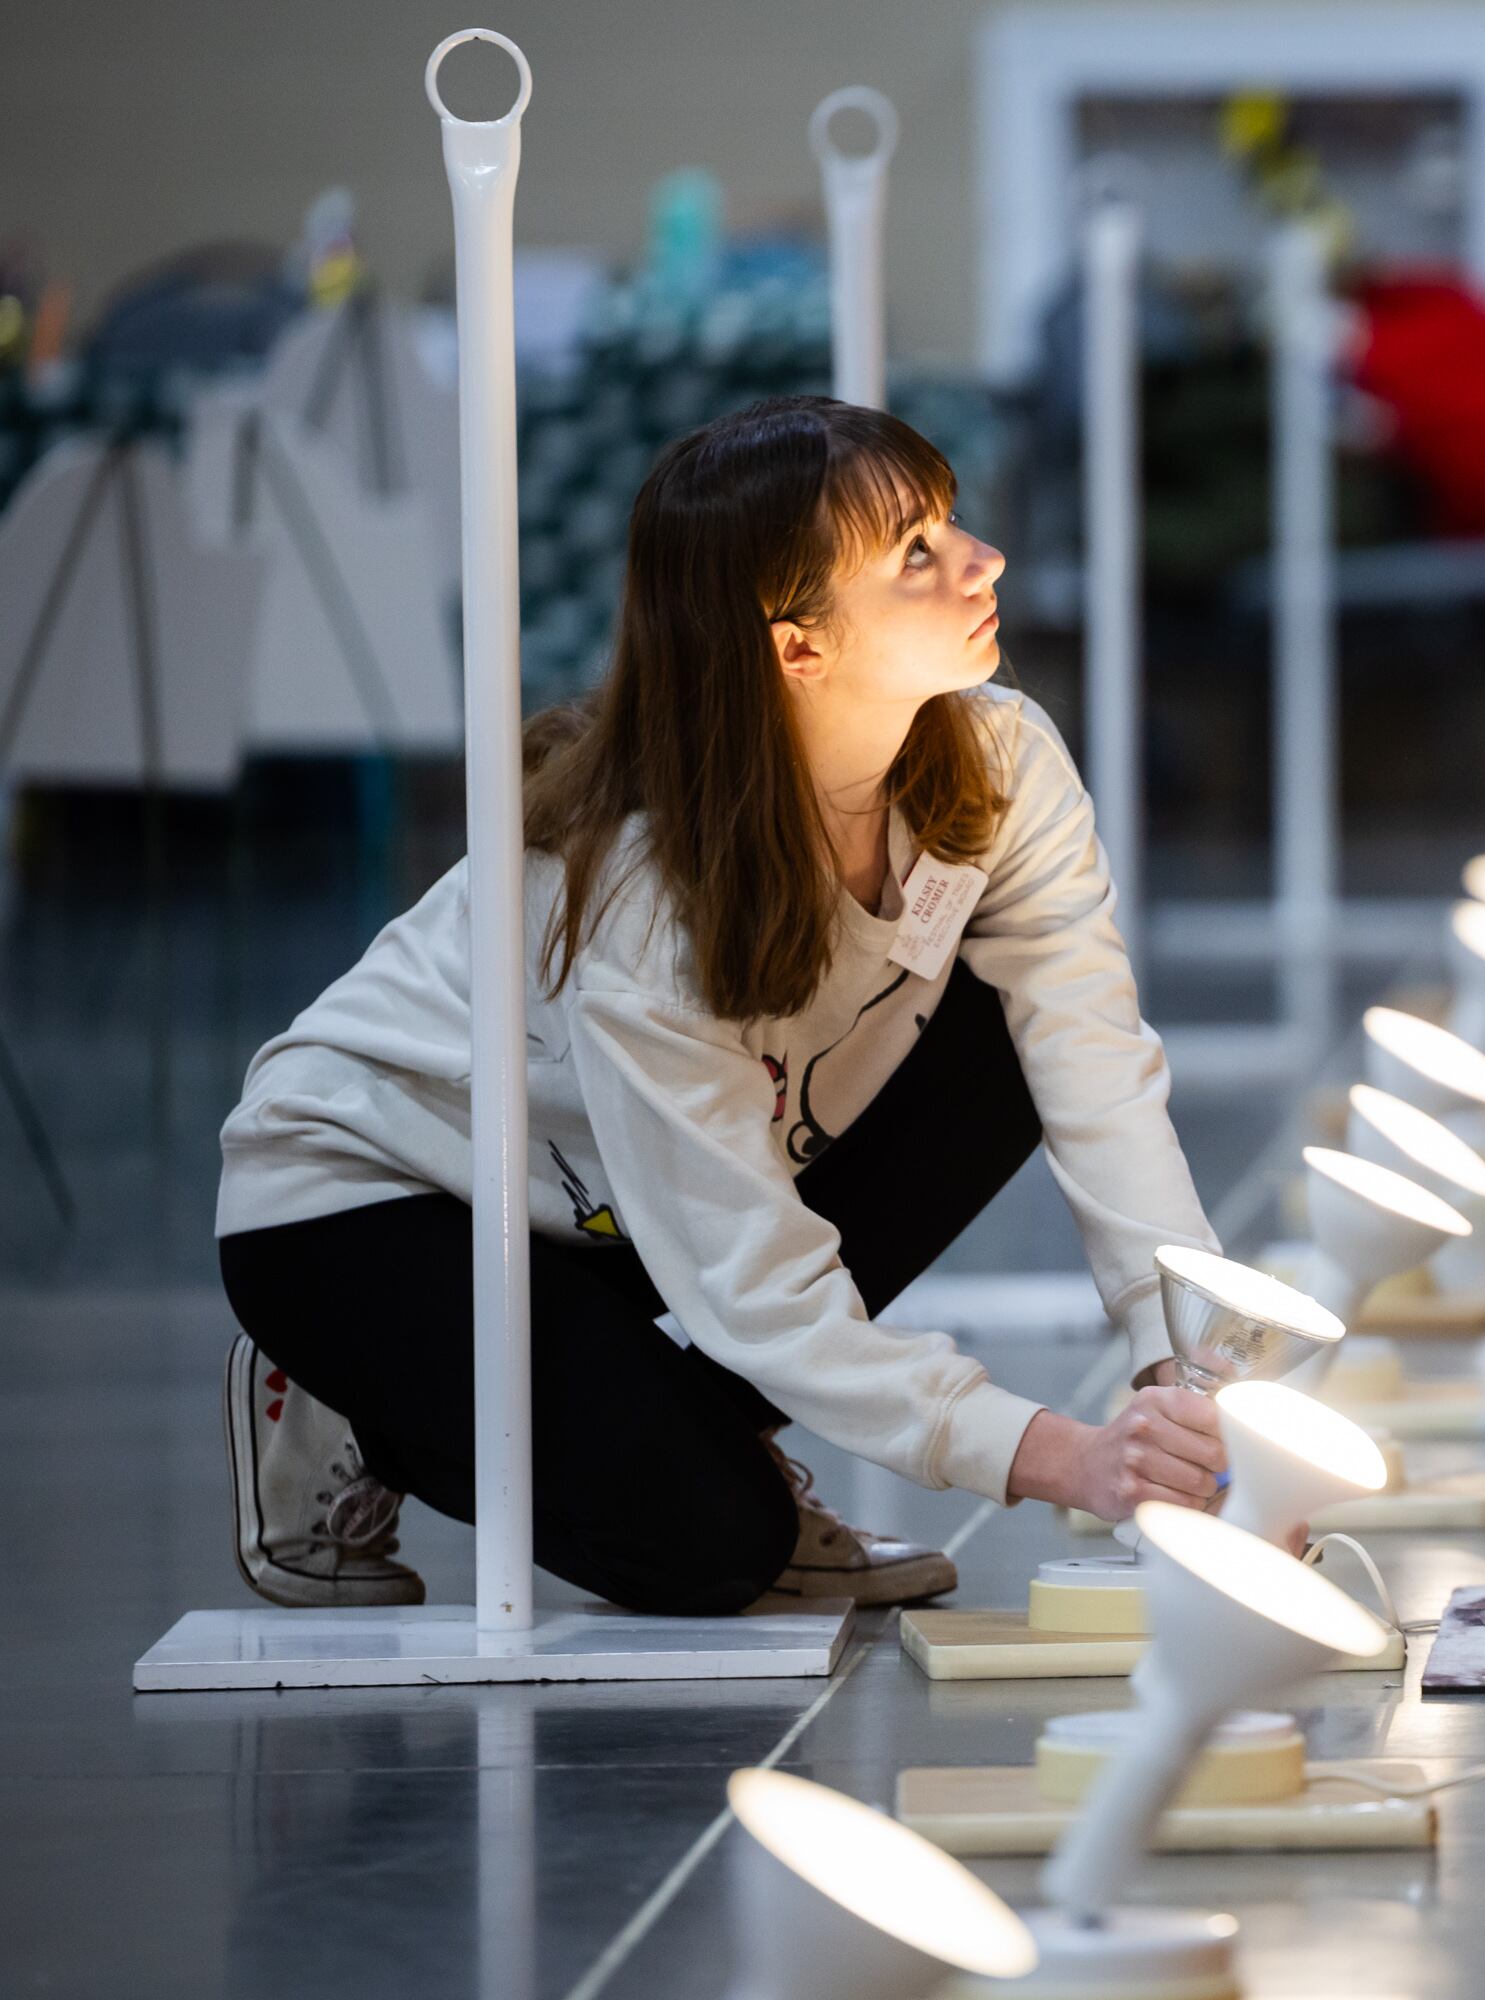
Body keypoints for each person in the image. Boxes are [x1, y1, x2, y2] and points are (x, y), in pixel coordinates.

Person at [214, 395, 1229, 1615]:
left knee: (1009, 1041)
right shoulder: (649, 899)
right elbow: (753, 1282)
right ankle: (348, 1397)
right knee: (711, 1547)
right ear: (798, 644)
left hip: (613, 1212)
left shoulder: (1005, 760)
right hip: (376, 1201)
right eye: (918, 551)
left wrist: (1192, 1363)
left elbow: (1094, 1057)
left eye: (952, 523)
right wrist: (1067, 1455)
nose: (982, 558)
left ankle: (647, 1418)